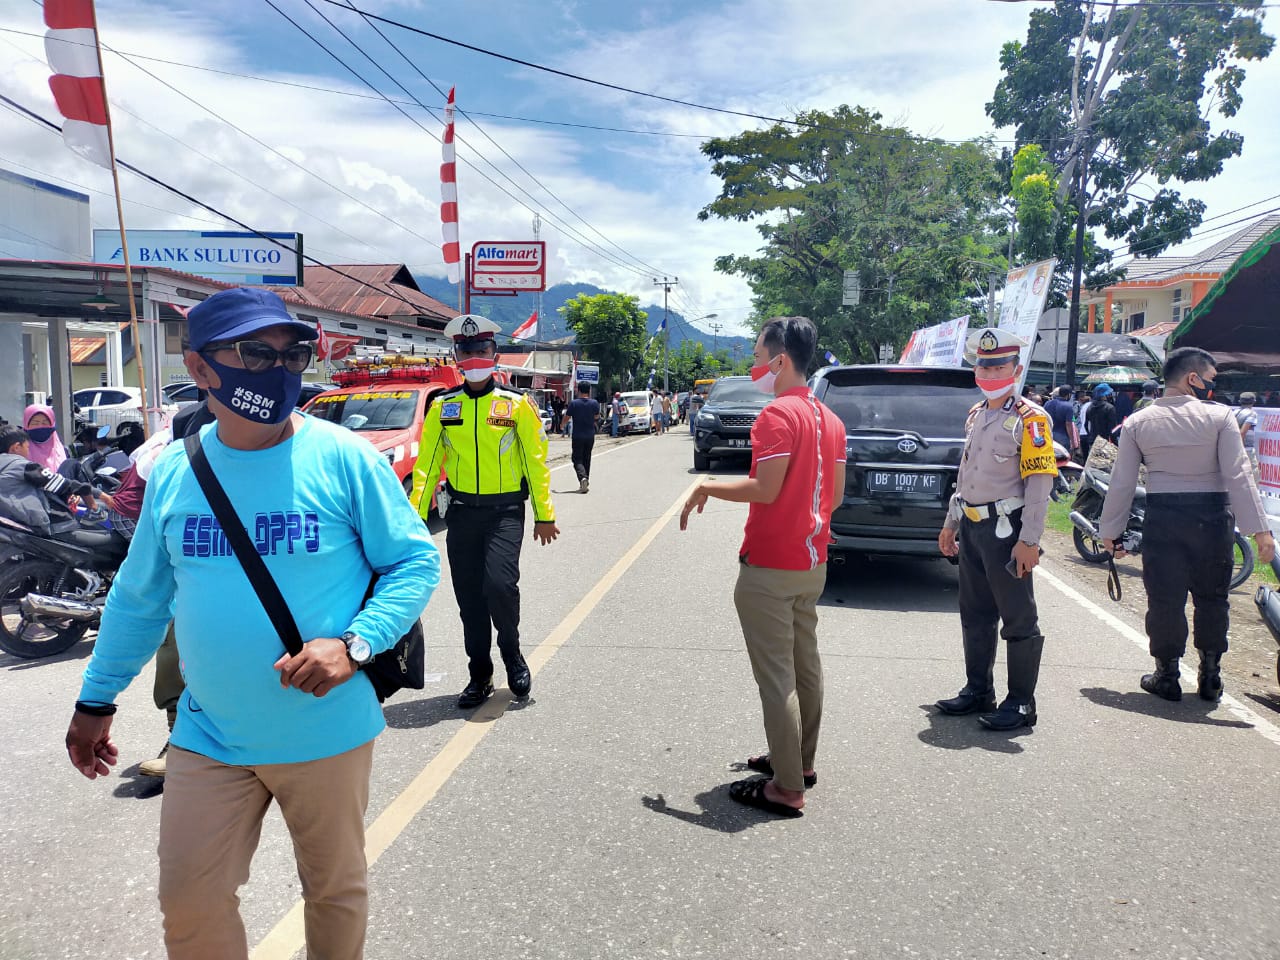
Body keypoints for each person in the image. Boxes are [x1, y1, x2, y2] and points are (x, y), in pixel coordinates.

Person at [65, 287, 439, 960]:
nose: (279, 367)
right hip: (209, 732)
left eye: (292, 352)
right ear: (201, 366)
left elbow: (412, 564)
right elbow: (138, 598)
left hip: (326, 730)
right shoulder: (178, 471)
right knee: (189, 900)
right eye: (253, 352)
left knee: (333, 891)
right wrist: (96, 698)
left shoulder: (345, 457)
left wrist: (354, 645)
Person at [680, 316, 845, 818]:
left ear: (780, 360)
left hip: (770, 564)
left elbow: (765, 489)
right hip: (811, 561)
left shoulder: (776, 415)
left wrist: (706, 484)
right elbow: (833, 496)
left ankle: (786, 786)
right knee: (804, 667)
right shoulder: (830, 420)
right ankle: (801, 762)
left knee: (777, 679)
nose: (753, 366)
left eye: (756, 356)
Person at [1100, 348, 1275, 703]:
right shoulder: (1221, 417)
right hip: (1213, 519)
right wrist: (1260, 530)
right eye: (1211, 378)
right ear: (1192, 379)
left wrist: (1109, 531)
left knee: (1165, 599)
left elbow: (1122, 482)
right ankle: (1211, 674)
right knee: (1213, 598)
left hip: (1163, 517)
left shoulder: (1138, 422)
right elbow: (1238, 475)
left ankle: (1167, 674)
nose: (1214, 385)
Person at [412, 314, 559, 710]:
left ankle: (512, 654)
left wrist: (544, 514)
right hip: (462, 514)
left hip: (505, 512)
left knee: (499, 587)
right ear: (457, 356)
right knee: (469, 600)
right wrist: (414, 518)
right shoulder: (443, 407)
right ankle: (480, 673)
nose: (475, 356)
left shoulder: (516, 406)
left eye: (482, 350)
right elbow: (426, 466)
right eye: (467, 350)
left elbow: (536, 461)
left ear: (494, 354)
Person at [936, 328, 1056, 731]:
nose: (988, 372)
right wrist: (951, 522)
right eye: (982, 365)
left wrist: (1030, 541)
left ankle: (1021, 703)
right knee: (975, 614)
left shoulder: (1032, 419)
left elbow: (1040, 484)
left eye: (997, 365)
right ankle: (978, 691)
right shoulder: (977, 413)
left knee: (1018, 618)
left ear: (1016, 369)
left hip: (1008, 531)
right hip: (972, 527)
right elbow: (966, 474)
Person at [0, 426, 101, 535]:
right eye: (27, 447)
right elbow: (60, 483)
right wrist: (89, 491)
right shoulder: (22, 466)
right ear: (16, 447)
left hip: (12, 525)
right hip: (40, 526)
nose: (28, 452)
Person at [564, 382, 600, 493]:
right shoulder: (594, 403)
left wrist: (562, 425)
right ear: (589, 391)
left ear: (578, 391)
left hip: (578, 436)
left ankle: (582, 478)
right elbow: (597, 416)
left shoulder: (574, 403)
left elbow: (566, 417)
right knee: (587, 458)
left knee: (576, 459)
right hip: (590, 435)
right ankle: (585, 480)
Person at [22, 404, 68, 473]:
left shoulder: (64, 452)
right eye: (35, 423)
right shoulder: (19, 453)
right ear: (26, 425)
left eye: (45, 423)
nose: (40, 426)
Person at [1086, 383, 1119, 453]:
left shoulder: (1090, 407)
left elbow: (1086, 425)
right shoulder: (1110, 408)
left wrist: (1091, 436)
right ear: (1105, 395)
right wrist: (1116, 445)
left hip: (1093, 442)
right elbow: (1112, 430)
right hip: (1105, 443)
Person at [1044, 385, 1076, 451]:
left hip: (1048, 435)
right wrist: (1072, 440)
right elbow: (1069, 424)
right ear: (1068, 395)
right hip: (1062, 437)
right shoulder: (1068, 406)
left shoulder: (1047, 403)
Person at [1236, 391, 1260, 480]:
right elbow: (1242, 432)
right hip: (1246, 449)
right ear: (1253, 401)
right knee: (1253, 475)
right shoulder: (1252, 414)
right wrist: (1240, 449)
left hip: (1233, 447)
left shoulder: (1235, 412)